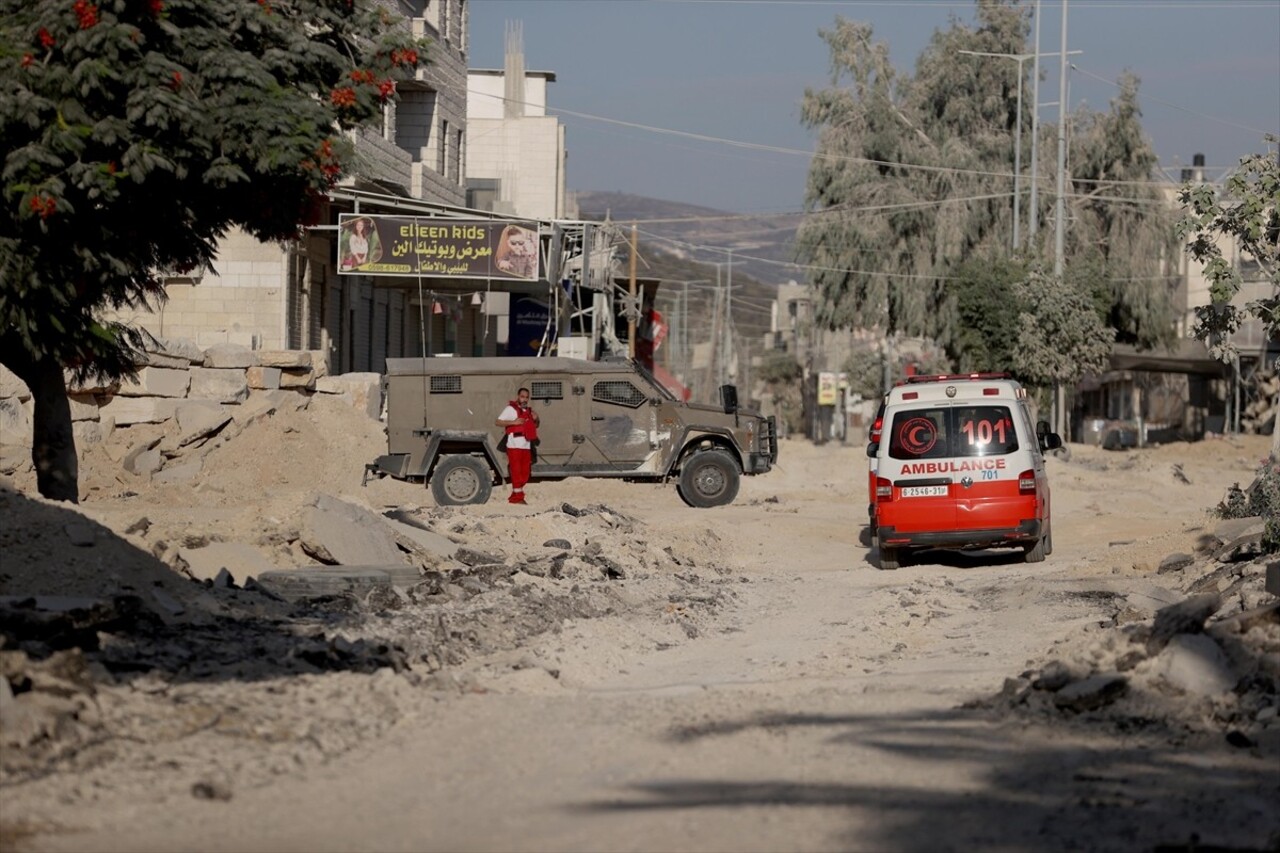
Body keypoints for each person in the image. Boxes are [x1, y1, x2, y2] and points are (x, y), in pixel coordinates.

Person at [495, 386, 539, 504]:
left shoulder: (529, 412)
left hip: (526, 445)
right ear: (518, 397)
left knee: (525, 473)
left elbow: (536, 425)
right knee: (516, 471)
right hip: (514, 445)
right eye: (522, 397)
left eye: (527, 398)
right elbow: (498, 421)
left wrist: (536, 418)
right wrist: (513, 422)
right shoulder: (510, 409)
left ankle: (515, 495)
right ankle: (518, 498)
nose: (524, 399)